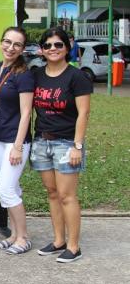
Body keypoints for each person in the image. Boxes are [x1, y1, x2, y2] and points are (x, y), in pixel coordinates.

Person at [31, 27, 91, 263]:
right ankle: (59, 241)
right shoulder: (37, 75)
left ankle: (74, 246)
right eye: (48, 45)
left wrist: (77, 145)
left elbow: (83, 113)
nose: (53, 49)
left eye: (58, 44)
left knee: (67, 195)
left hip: (66, 143)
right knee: (52, 193)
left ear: (67, 47)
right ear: (41, 50)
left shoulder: (77, 77)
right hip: (41, 142)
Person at [0, 27, 34, 255]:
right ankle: (14, 235)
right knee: (12, 187)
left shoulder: (24, 73)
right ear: (1, 42)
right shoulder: (0, 67)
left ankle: (23, 238)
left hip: (15, 141)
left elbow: (26, 113)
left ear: (22, 49)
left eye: (16, 44)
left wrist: (17, 146)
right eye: (7, 42)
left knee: (5, 189)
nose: (10, 47)